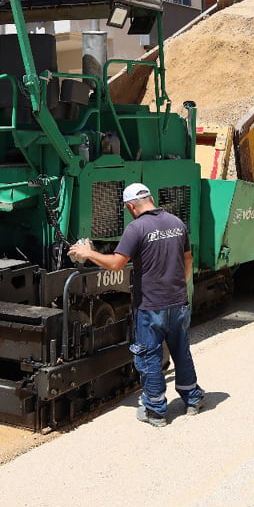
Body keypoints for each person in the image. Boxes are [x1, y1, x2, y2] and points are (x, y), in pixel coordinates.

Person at [68, 183, 205, 428]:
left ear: (131, 206)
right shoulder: (176, 222)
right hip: (178, 301)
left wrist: (88, 253)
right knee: (181, 351)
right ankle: (192, 399)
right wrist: (177, 287)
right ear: (150, 198)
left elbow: (116, 264)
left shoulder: (137, 228)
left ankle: (155, 411)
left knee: (150, 357)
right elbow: (188, 259)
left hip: (151, 305)